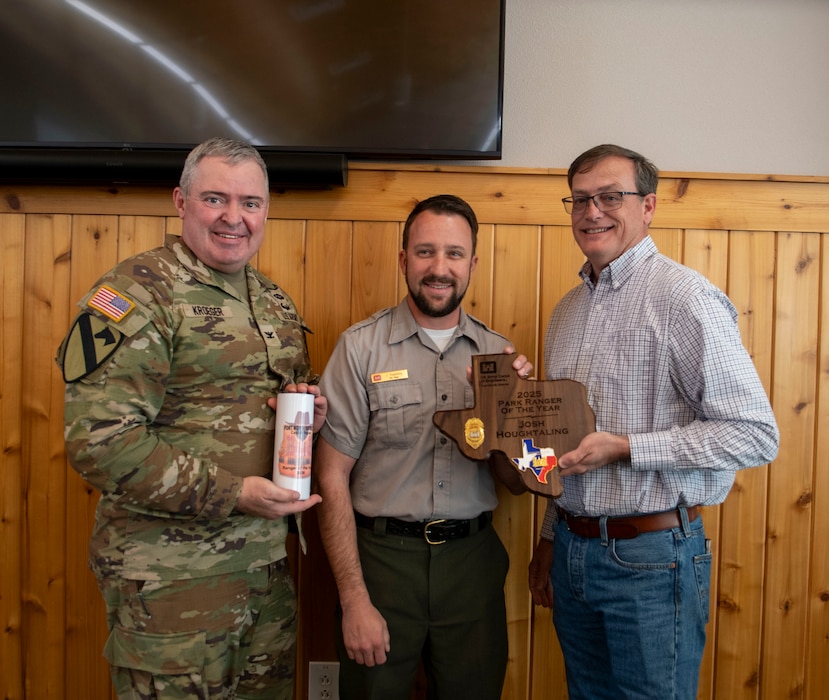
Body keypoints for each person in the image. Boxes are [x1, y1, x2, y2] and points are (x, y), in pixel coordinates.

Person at [56, 137, 325, 700]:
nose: (234, 217)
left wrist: (307, 411)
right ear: (181, 202)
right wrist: (233, 493)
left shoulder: (273, 300)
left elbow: (260, 410)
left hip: (265, 572)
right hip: (171, 582)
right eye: (215, 199)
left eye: (250, 203)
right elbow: (101, 443)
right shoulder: (137, 293)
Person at [527, 144, 779, 699]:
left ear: (648, 206)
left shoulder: (685, 298)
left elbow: (755, 434)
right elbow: (561, 441)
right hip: (571, 550)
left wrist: (626, 447)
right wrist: (548, 537)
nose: (592, 211)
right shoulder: (565, 312)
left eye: (609, 196)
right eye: (580, 200)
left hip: (652, 559)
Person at [314, 194, 531, 700]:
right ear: (403, 259)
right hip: (382, 566)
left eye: (454, 254)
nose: (439, 268)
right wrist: (354, 600)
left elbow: (521, 484)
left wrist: (508, 410)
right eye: (425, 251)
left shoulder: (498, 355)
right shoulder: (359, 348)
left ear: (472, 263)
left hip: (471, 566)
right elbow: (330, 476)